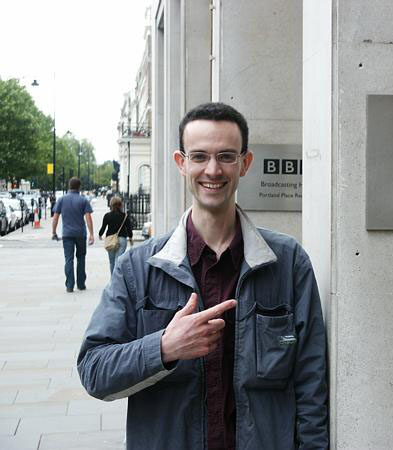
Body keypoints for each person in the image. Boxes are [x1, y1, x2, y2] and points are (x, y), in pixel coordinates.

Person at [78, 103, 328, 449]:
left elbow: (311, 384)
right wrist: (164, 347)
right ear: (182, 164)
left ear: (245, 163)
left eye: (226, 156)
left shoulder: (288, 262)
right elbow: (94, 370)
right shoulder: (138, 268)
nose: (213, 170)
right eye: (199, 157)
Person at [51, 177, 94, 292]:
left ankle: (69, 285)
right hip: (80, 233)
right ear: (79, 187)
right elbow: (88, 218)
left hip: (67, 234)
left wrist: (54, 232)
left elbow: (55, 217)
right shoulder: (83, 200)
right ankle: (81, 284)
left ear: (69, 186)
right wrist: (91, 234)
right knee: (81, 258)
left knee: (68, 259)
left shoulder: (61, 200)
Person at [98, 195, 133, 275]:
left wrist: (100, 235)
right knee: (118, 261)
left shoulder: (107, 216)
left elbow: (103, 228)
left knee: (112, 262)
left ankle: (113, 280)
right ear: (120, 205)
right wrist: (130, 237)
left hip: (110, 240)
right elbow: (129, 229)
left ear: (111, 205)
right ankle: (118, 280)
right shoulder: (125, 216)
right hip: (122, 239)